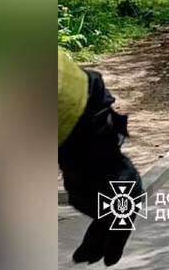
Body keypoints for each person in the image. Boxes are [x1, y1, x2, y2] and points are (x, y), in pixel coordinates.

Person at [60, 53, 142, 266]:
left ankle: (122, 192)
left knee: (89, 187)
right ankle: (117, 203)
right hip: (79, 89)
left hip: (65, 108)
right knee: (85, 187)